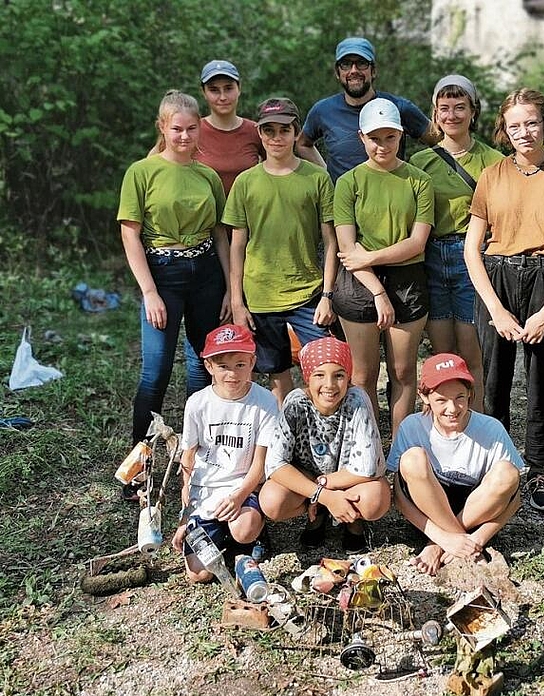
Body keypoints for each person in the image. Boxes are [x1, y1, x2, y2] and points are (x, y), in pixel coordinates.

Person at [463, 88, 544, 513]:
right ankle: (500, 468)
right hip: (497, 277)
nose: (524, 132)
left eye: (531, 122)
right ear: (504, 129)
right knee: (494, 381)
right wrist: (495, 309)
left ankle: (537, 469)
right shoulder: (491, 176)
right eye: (514, 125)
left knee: (541, 381)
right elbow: (472, 249)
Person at [117, 90, 231, 500]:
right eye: (176, 128)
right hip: (162, 273)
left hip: (205, 273)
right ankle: (138, 471)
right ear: (163, 128)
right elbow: (130, 232)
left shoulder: (207, 175)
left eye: (191, 128)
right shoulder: (142, 172)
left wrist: (229, 287)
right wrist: (149, 291)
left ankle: (198, 462)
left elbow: (220, 231)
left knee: (203, 370)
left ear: (200, 127)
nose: (184, 136)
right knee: (156, 373)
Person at [224, 98, 337, 405]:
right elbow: (237, 245)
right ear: (260, 134)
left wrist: (327, 295)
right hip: (261, 295)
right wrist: (237, 301)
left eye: (284, 130)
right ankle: (284, 440)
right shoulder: (246, 182)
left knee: (325, 368)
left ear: (295, 132)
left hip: (309, 294)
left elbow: (331, 241)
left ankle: (319, 434)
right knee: (277, 374)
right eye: (269, 130)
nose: (276, 137)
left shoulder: (316, 178)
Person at [332, 97, 434, 437]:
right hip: (360, 282)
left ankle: (401, 452)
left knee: (404, 371)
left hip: (407, 278)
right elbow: (348, 248)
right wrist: (378, 291)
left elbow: (416, 242)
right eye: (375, 138)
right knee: (363, 375)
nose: (382, 145)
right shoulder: (348, 182)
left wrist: (371, 257)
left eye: (390, 137)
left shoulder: (418, 180)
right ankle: (370, 447)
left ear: (401, 136)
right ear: (362, 137)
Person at [410, 75, 503, 411]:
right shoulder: (421, 163)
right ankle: (441, 428)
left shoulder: (494, 161)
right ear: (435, 113)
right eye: (444, 108)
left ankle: (477, 425)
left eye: (460, 107)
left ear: (473, 112)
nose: (452, 115)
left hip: (472, 256)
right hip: (432, 257)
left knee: (471, 354)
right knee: (442, 354)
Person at [387, 354, 523, 576]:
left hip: (476, 513)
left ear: (470, 393)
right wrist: (443, 537)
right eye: (441, 400)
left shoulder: (491, 428)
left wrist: (477, 538)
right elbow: (399, 496)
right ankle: (450, 539)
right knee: (412, 458)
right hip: (427, 512)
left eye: (460, 397)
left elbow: (514, 499)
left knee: (508, 472)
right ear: (424, 396)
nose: (452, 408)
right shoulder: (412, 426)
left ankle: (443, 544)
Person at [259, 337, 390, 555]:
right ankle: (319, 510)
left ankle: (353, 520)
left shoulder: (357, 400)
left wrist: (324, 485)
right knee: (272, 500)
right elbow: (275, 464)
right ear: (307, 378)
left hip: (349, 481)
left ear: (348, 378)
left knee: (374, 500)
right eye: (319, 375)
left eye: (338, 375)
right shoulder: (295, 403)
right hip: (309, 477)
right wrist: (324, 496)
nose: (329, 385)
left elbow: (367, 467)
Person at [171, 324, 278, 583]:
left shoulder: (265, 401)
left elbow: (260, 464)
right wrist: (185, 515)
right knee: (199, 574)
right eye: (223, 366)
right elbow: (188, 458)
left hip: (243, 485)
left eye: (240, 364)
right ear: (209, 366)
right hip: (205, 490)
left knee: (244, 529)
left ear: (253, 362)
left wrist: (239, 496)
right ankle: (218, 532)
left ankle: (251, 535)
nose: (232, 374)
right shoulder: (197, 403)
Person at [298, 36, 439, 181]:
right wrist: (326, 174)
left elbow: (439, 140)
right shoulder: (323, 111)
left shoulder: (397, 107)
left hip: (392, 199)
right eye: (346, 64)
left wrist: (422, 175)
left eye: (362, 63)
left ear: (373, 71)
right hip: (343, 202)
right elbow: (302, 144)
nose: (354, 70)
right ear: (337, 72)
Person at [197, 59, 265, 195]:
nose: (222, 97)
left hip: (247, 214)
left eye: (228, 88)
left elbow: (280, 169)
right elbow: (155, 164)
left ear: (239, 88)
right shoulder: (191, 130)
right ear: (203, 92)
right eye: (214, 90)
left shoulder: (256, 131)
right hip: (204, 215)